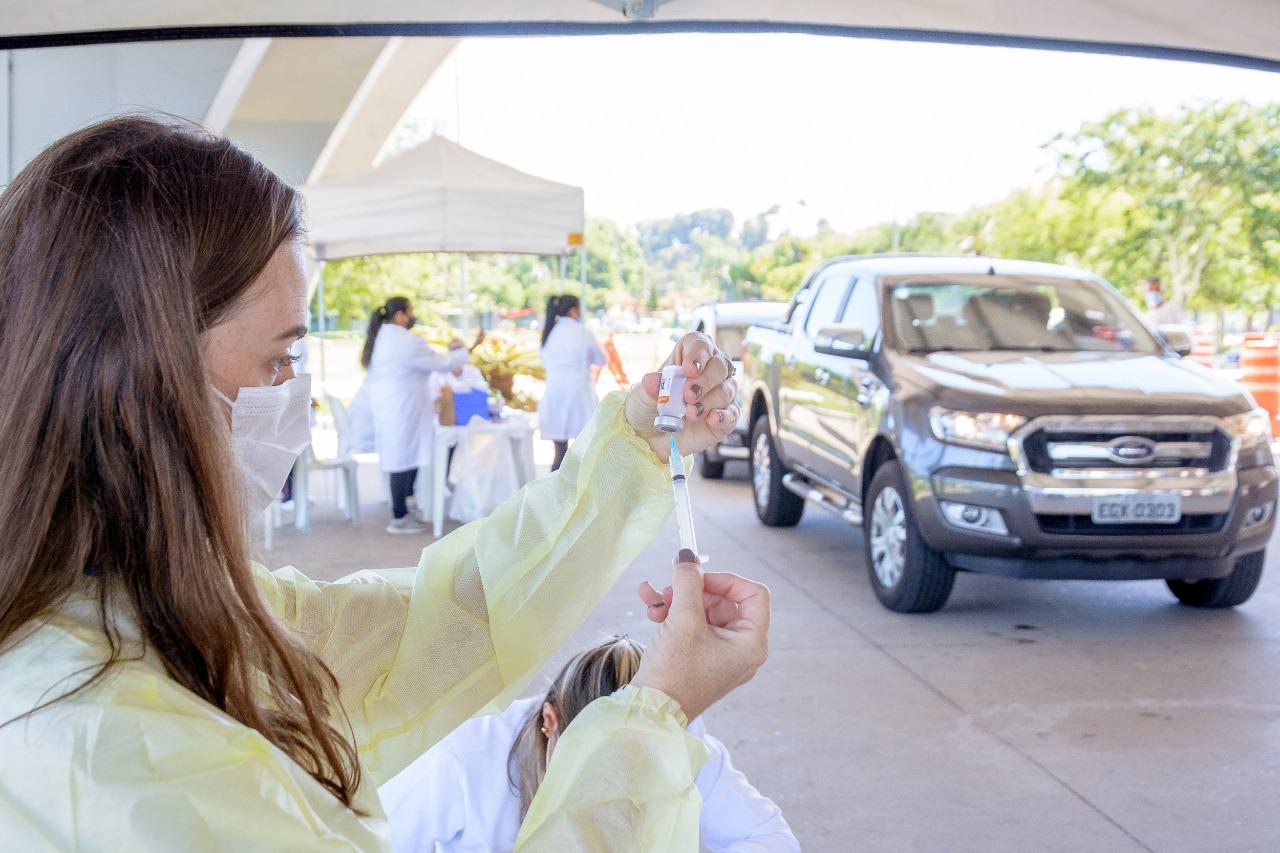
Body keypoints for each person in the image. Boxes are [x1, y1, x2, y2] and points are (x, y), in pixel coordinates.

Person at [0, 115, 762, 851]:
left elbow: (440, 624)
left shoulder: (145, 607)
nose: (289, 394)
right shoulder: (110, 752)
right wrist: (651, 722)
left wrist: (632, 441)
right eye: (277, 361)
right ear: (141, 379)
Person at [380, 636, 800, 852]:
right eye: (595, 769)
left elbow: (769, 836)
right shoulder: (462, 759)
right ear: (551, 723)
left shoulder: (680, 743)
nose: (613, 791)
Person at [360, 297, 478, 535]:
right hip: (403, 407)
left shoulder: (386, 337)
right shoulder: (404, 340)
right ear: (401, 315)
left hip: (396, 406)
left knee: (403, 457)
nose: (413, 316)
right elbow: (441, 363)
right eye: (411, 311)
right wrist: (470, 349)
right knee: (402, 459)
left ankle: (404, 508)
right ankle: (399, 517)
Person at [539, 294, 607, 471]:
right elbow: (601, 359)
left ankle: (555, 494)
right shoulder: (583, 331)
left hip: (554, 393)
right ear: (574, 310)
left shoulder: (549, 332)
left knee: (559, 453)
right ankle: (578, 495)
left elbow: (544, 361)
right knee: (582, 453)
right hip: (579, 394)